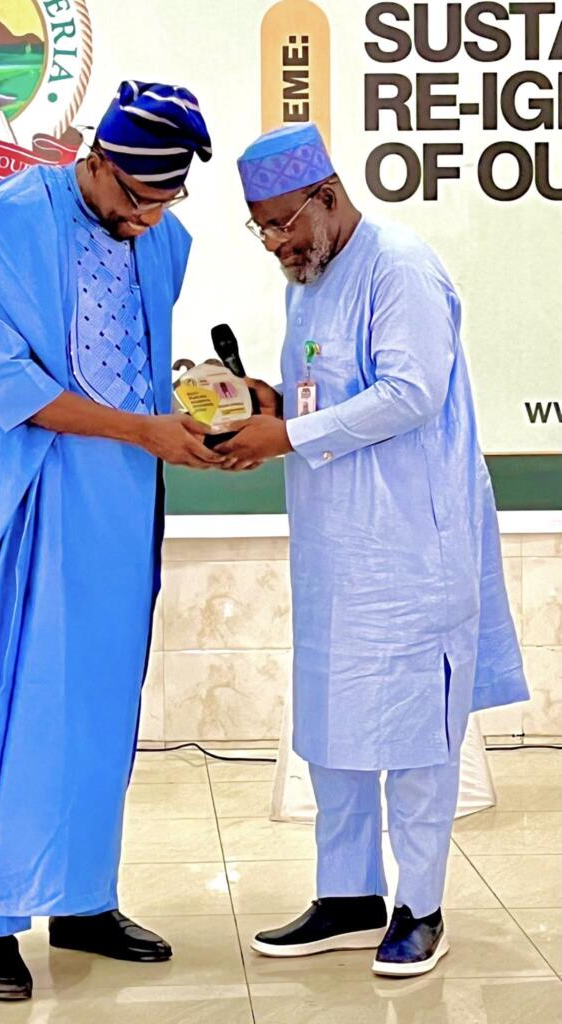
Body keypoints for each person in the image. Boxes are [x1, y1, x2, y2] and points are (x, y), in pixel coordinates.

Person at [0, 81, 220, 1002]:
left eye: (165, 203)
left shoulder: (157, 236)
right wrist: (144, 429)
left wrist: (193, 410)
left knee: (101, 706)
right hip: (27, 499)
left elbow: (129, 365)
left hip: (117, 504)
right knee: (15, 707)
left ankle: (81, 898)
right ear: (97, 160)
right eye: (138, 199)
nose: (148, 221)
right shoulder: (12, 224)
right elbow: (13, 388)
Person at [217, 123, 528, 977]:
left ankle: (419, 907)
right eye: (260, 229)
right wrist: (265, 403)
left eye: (282, 223)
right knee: (334, 728)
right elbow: (322, 392)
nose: (274, 244)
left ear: (326, 196)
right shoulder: (306, 278)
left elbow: (410, 393)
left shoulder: (399, 267)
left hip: (411, 549)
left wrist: (287, 436)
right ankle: (347, 896)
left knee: (417, 736)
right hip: (334, 552)